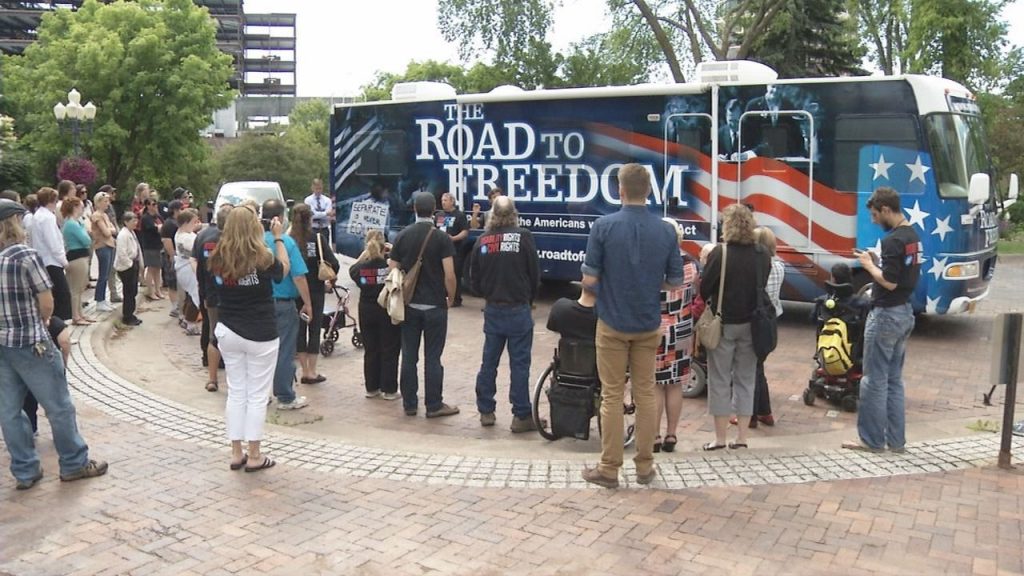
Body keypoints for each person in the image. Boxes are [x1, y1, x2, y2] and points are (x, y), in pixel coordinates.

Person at [579, 164, 684, 489]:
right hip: (648, 322)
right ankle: (645, 466)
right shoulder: (665, 231)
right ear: (648, 191)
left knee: (612, 395)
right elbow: (675, 281)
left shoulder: (603, 226)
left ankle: (609, 468)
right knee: (645, 393)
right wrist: (650, 284)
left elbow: (589, 279)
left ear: (620, 191)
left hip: (612, 321)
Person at [0, 199, 108, 490]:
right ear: (14, 223)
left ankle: (25, 470)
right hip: (31, 341)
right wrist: (43, 319)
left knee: (9, 411)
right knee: (58, 405)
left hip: (3, 345)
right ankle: (73, 463)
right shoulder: (24, 255)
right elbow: (46, 302)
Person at [208, 206, 290, 472]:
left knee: (236, 391)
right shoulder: (262, 257)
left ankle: (236, 451)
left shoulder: (218, 256)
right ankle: (254, 454)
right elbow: (283, 271)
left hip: (228, 328)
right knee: (256, 394)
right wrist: (278, 238)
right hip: (260, 331)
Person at [843, 187, 921, 453]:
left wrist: (868, 265)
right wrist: (878, 261)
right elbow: (900, 273)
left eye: (875, 215)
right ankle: (896, 441)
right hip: (905, 312)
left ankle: (872, 440)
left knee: (873, 380)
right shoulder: (912, 236)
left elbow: (889, 281)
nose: (874, 220)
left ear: (886, 209)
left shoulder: (893, 241)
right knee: (894, 380)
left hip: (886, 313)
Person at [700, 204, 770, 451]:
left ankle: (720, 438)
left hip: (723, 323)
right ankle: (742, 438)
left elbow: (705, 288)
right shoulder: (762, 253)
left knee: (719, 380)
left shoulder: (721, 253)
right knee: (746, 380)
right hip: (752, 324)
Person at [469, 196, 540, 432]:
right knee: (519, 365)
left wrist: (487, 294)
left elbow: (474, 279)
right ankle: (521, 415)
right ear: (513, 214)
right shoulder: (524, 237)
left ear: (492, 215)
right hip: (518, 307)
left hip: (493, 308)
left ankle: (486, 410)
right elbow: (534, 273)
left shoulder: (482, 240)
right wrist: (529, 298)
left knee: (489, 361)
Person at [389, 192, 459, 418]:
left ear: (414, 209)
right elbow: (449, 274)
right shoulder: (441, 238)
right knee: (433, 357)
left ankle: (410, 403)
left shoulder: (403, 236)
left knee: (409, 355)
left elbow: (392, 270)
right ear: (435, 209)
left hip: (409, 305)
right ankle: (434, 405)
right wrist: (451, 297)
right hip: (435, 305)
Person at [653, 218, 700, 453]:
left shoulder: (654, 262)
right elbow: (696, 293)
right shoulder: (690, 264)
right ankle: (671, 434)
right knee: (674, 385)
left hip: (657, 328)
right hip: (682, 328)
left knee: (655, 384)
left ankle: (654, 435)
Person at [261, 199, 312, 411]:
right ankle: (285, 395)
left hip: (259, 303)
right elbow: (298, 276)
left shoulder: (255, 241)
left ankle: (261, 394)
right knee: (284, 350)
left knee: (260, 350)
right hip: (282, 303)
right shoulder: (287, 243)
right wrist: (308, 303)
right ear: (279, 218)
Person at [289, 203, 339, 385]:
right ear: (310, 219)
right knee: (315, 328)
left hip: (295, 290)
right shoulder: (318, 239)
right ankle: (312, 371)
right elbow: (334, 263)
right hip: (316, 290)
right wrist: (329, 280)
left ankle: (303, 370)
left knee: (299, 330)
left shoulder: (289, 240)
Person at [349, 230, 401, 400]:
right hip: (385, 308)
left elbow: (352, 269)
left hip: (366, 309)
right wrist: (392, 251)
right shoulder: (388, 266)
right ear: (384, 246)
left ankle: (371, 387)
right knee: (389, 349)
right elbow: (401, 270)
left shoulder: (361, 268)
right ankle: (389, 389)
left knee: (370, 349)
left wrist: (364, 255)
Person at [744, 226, 784, 428]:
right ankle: (765, 412)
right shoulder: (779, 266)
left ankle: (750, 415)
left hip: (756, 321)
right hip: (771, 320)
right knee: (759, 366)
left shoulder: (759, 267)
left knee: (752, 369)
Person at [194, 205, 232, 392]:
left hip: (211, 295)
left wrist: (203, 293)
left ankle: (212, 379)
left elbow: (200, 270)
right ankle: (235, 379)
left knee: (214, 336)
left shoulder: (206, 240)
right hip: (232, 296)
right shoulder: (235, 242)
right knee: (234, 338)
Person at [22, 316, 73, 436]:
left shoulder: (25, 325)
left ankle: (31, 429)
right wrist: (64, 361)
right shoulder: (56, 323)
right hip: (51, 367)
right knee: (58, 403)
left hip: (29, 368)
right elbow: (65, 342)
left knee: (29, 401)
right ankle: (63, 433)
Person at [29, 187, 73, 321]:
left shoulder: (38, 215)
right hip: (51, 261)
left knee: (55, 293)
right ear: (52, 200)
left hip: (44, 259)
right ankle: (60, 324)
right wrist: (64, 261)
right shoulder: (47, 218)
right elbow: (53, 243)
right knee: (62, 294)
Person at [60, 197, 94, 326]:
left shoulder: (76, 222)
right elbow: (86, 240)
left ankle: (80, 313)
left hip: (80, 256)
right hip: (77, 257)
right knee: (75, 289)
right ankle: (75, 315)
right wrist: (85, 229)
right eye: (80, 207)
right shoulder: (72, 224)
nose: (82, 209)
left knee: (80, 288)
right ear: (74, 207)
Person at [435, 192, 469, 307]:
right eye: (442, 200)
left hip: (455, 250)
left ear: (452, 201)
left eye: (445, 200)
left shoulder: (459, 215)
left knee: (454, 274)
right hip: (439, 250)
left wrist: (453, 238)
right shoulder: (438, 215)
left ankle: (455, 299)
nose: (443, 203)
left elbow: (465, 232)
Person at [174, 209, 201, 336]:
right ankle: (191, 324)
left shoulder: (181, 234)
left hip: (184, 268)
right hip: (188, 268)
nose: (195, 224)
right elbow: (197, 248)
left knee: (190, 295)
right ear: (185, 223)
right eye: (193, 222)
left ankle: (185, 318)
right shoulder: (185, 238)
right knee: (196, 295)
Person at [114, 212, 143, 326]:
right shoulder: (123, 235)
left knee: (133, 290)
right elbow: (122, 253)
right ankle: (127, 316)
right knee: (129, 291)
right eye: (132, 221)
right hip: (126, 266)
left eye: (136, 220)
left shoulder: (132, 233)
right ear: (126, 222)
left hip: (133, 263)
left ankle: (131, 313)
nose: (135, 223)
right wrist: (130, 264)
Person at [90, 191, 117, 313]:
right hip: (102, 246)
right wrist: (110, 230)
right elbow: (106, 232)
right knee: (103, 275)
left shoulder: (105, 215)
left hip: (110, 244)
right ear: (98, 202)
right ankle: (99, 300)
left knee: (107, 273)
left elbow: (113, 229)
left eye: (108, 201)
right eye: (105, 201)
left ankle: (103, 299)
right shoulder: (97, 216)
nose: (107, 204)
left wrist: (110, 229)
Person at [97, 185, 122, 304]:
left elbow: (113, 225)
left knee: (112, 269)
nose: (113, 195)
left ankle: (112, 293)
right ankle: (105, 297)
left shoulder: (109, 210)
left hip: (113, 240)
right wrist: (112, 230)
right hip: (105, 243)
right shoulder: (99, 214)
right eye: (111, 193)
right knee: (106, 272)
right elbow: (107, 230)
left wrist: (113, 230)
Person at [161, 200, 183, 318]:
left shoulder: (177, 222)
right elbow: (166, 240)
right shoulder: (169, 224)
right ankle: (174, 307)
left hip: (177, 255)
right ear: (175, 210)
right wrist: (172, 255)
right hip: (172, 255)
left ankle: (179, 305)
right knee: (172, 282)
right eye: (181, 209)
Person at [139, 197, 164, 301]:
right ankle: (151, 291)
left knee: (158, 268)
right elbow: (153, 228)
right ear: (148, 206)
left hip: (158, 245)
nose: (155, 206)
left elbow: (163, 226)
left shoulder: (158, 216)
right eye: (153, 204)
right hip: (150, 245)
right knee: (151, 268)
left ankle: (158, 290)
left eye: (156, 204)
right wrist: (159, 227)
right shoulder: (146, 218)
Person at [304, 178, 334, 244]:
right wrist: (325, 213)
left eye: (320, 188)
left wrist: (320, 214)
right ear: (312, 188)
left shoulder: (327, 200)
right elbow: (312, 215)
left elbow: (329, 215)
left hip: (324, 229)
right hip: (313, 229)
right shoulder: (308, 200)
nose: (318, 191)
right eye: (316, 189)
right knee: (313, 248)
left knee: (325, 248)